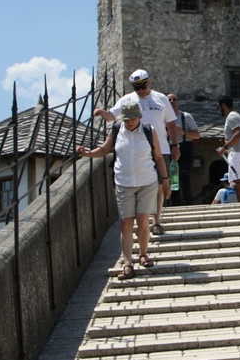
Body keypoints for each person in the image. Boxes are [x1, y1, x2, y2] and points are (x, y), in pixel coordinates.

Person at [77, 101, 170, 280]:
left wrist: (165, 181)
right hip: (123, 182)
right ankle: (128, 263)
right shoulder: (117, 130)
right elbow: (104, 150)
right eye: (127, 119)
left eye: (133, 118)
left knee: (143, 221)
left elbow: (158, 158)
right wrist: (87, 153)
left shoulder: (150, 131)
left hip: (147, 181)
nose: (130, 122)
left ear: (139, 117)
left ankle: (143, 254)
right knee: (126, 223)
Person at [94, 69, 179, 235]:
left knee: (160, 185)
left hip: (160, 148)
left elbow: (171, 124)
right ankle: (142, 221)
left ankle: (157, 221)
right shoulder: (127, 99)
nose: (140, 90)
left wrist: (175, 145)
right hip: (137, 151)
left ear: (149, 82)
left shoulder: (161, 98)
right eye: (136, 88)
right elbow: (113, 115)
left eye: (142, 86)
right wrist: (103, 113)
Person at [216, 95, 240, 202]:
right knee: (235, 181)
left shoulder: (232, 117)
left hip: (236, 152)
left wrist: (224, 148)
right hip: (237, 152)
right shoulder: (234, 116)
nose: (219, 111)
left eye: (219, 107)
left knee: (236, 179)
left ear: (223, 105)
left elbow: (238, 134)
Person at [167, 93, 199, 205]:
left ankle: (187, 203)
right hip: (170, 148)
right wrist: (168, 133)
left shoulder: (186, 116)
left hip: (185, 148)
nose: (171, 101)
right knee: (173, 177)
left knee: (185, 175)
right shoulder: (162, 118)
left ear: (178, 102)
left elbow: (197, 135)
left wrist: (183, 132)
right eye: (169, 99)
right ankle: (175, 203)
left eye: (174, 99)